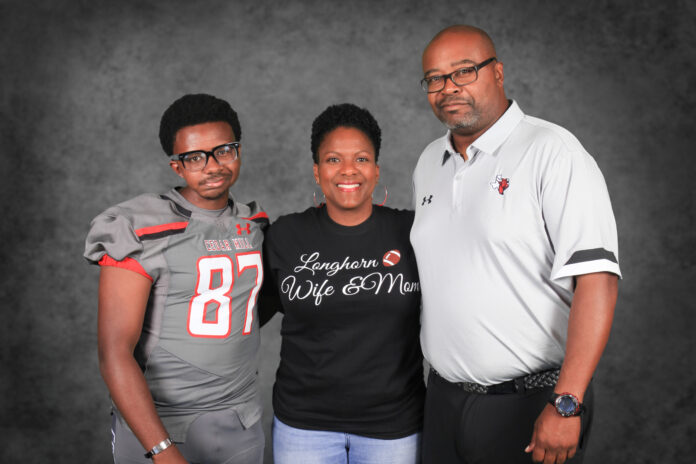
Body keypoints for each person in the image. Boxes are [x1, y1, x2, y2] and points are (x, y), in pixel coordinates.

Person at [411, 25, 621, 464]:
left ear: (498, 72)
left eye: (463, 71)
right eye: (434, 78)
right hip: (444, 402)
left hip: (531, 403)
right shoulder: (430, 161)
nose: (448, 88)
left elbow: (597, 282)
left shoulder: (552, 151)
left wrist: (568, 403)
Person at [84, 94, 267, 464]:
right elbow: (114, 352)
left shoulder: (254, 224)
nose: (213, 166)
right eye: (194, 157)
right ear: (176, 166)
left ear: (239, 150)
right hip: (162, 427)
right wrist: (163, 452)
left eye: (223, 151)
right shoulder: (136, 226)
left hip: (242, 421)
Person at [259, 103, 424, 464]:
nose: (348, 170)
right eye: (333, 160)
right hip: (304, 425)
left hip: (393, 425)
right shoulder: (285, 235)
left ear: (376, 170)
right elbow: (247, 316)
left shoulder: (413, 232)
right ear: (317, 172)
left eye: (361, 159)